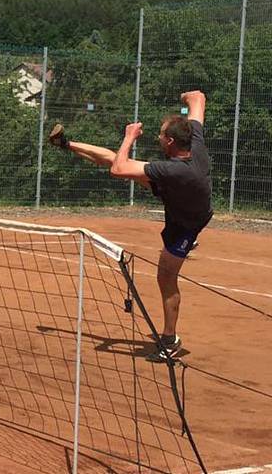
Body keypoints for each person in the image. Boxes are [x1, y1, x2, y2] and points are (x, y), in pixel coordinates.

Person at [48, 90, 212, 362]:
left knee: (166, 278)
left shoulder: (174, 170)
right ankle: (65, 143)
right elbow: (198, 99)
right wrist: (186, 95)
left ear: (170, 142)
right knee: (116, 158)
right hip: (182, 195)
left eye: (160, 134)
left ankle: (170, 340)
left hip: (187, 223)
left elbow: (119, 171)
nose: (157, 136)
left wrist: (130, 137)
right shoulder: (194, 140)